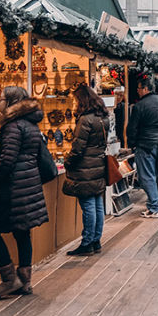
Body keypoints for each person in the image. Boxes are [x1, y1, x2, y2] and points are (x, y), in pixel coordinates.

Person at [0, 86, 49, 299]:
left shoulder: (13, 127)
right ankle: (25, 281)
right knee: (22, 231)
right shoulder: (31, 125)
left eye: (2, 99)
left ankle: (10, 279)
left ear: (11, 102)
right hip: (27, 185)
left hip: (10, 188)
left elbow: (7, 159)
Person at [64, 85, 111, 255]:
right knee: (97, 204)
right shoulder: (103, 117)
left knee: (88, 205)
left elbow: (78, 148)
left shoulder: (85, 120)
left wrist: (68, 162)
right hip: (98, 164)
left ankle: (87, 242)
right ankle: (96, 240)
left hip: (85, 168)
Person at [126, 78, 158, 218]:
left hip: (145, 144)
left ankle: (154, 207)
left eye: (139, 88)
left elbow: (132, 129)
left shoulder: (139, 106)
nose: (137, 91)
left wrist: (132, 144)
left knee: (148, 176)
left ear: (145, 89)